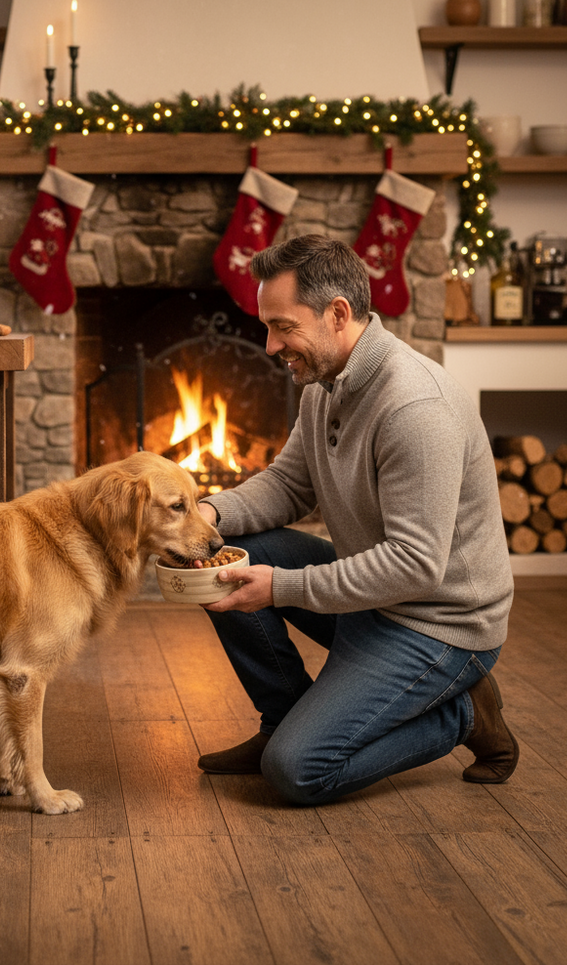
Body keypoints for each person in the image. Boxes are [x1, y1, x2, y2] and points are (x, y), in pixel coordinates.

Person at [195, 233, 518, 805]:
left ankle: (465, 713)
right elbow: (290, 484)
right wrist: (204, 516)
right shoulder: (324, 383)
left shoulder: (416, 407)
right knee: (217, 557)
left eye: (283, 327)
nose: (271, 346)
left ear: (337, 314)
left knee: (296, 772)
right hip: (377, 599)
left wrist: (283, 588)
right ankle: (285, 721)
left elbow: (417, 566)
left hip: (439, 624)